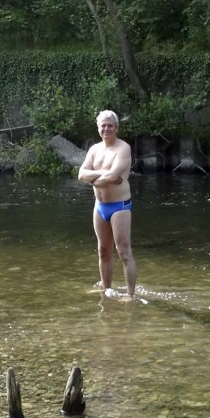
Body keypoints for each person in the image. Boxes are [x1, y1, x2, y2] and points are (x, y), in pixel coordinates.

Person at [78, 109, 137, 300]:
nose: (106, 129)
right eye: (103, 125)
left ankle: (130, 294)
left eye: (110, 125)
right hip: (100, 206)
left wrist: (93, 177)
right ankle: (106, 288)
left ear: (116, 128)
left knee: (123, 251)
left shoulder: (123, 148)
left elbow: (114, 176)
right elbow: (81, 175)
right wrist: (101, 176)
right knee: (103, 251)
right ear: (98, 128)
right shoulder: (95, 150)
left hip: (119, 206)